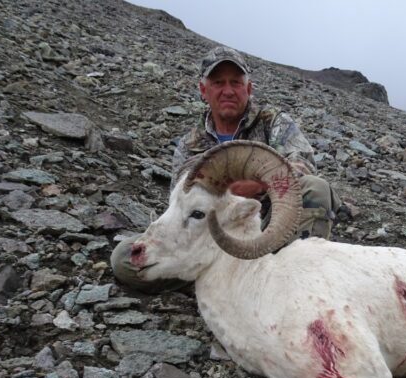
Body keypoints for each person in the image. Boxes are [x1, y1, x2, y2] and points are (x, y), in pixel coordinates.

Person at [111, 45, 341, 292]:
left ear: (248, 88)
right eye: (218, 83)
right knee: (124, 259)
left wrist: (259, 183)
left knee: (315, 189)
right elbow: (182, 205)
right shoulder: (189, 145)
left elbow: (303, 164)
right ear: (204, 90)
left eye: (236, 82)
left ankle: (299, 287)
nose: (228, 91)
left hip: (266, 229)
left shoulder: (273, 122)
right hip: (210, 239)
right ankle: (233, 285)